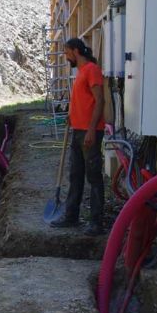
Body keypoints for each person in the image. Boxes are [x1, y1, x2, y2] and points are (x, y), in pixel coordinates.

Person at [50, 37, 105, 236]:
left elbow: (100, 100)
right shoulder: (81, 72)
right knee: (75, 175)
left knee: (94, 176)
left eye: (67, 53)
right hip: (78, 130)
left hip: (89, 133)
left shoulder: (92, 70)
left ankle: (96, 222)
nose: (66, 57)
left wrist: (91, 129)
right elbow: (83, 101)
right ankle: (71, 216)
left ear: (75, 51)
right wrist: (72, 117)